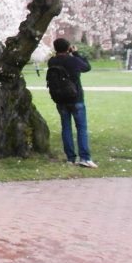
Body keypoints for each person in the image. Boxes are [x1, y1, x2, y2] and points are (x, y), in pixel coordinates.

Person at [48, 38, 96, 168]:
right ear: (68, 47)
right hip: (76, 98)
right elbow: (87, 67)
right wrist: (75, 53)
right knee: (81, 128)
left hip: (60, 99)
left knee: (66, 128)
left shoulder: (52, 61)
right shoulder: (72, 60)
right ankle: (85, 158)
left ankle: (70, 158)